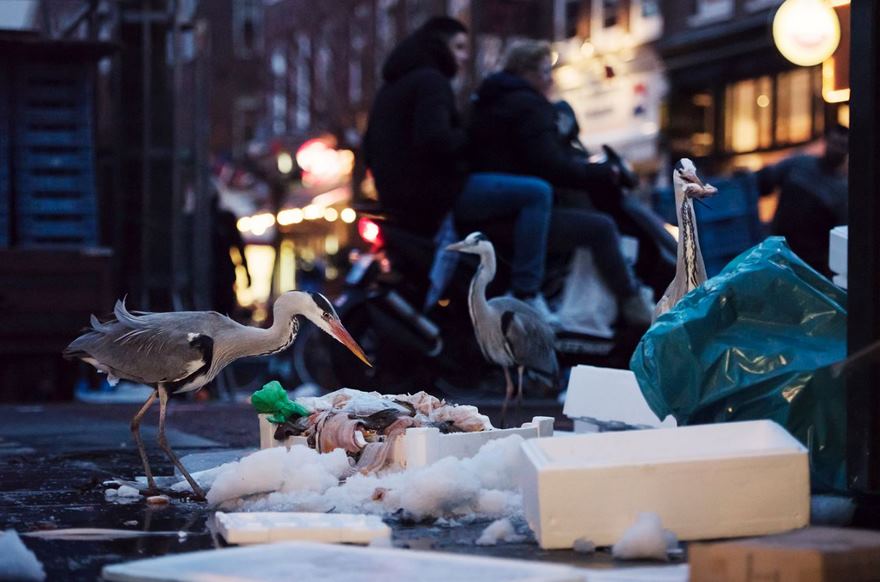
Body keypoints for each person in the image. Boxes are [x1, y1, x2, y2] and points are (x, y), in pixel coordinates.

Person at [363, 18, 555, 316]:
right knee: (537, 193)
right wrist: (469, 140)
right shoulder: (432, 82)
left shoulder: (391, 87)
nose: (465, 55)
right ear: (439, 45)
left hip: (396, 198)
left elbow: (367, 148)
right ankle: (526, 293)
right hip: (437, 193)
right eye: (459, 47)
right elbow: (435, 138)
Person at [467, 40, 654, 327]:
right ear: (525, 72)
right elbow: (549, 164)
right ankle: (636, 308)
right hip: (520, 216)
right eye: (544, 71)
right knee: (601, 228)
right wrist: (600, 173)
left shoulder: (489, 100)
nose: (550, 79)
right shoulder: (529, 106)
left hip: (493, 210)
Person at [757, 124, 848, 277]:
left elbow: (839, 239)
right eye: (834, 143)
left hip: (811, 266)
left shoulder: (842, 192)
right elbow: (764, 181)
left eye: (842, 146)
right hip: (778, 250)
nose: (836, 149)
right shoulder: (799, 164)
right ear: (826, 141)